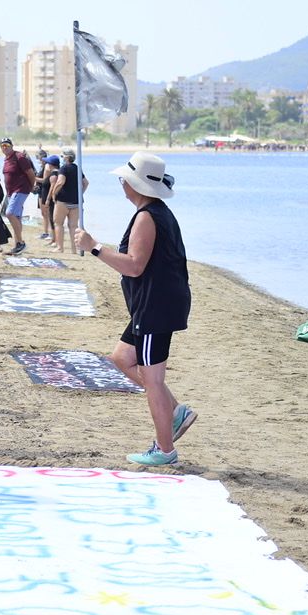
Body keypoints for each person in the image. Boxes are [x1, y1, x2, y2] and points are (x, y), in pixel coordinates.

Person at [76, 151, 194, 467]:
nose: (121, 184)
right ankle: (176, 411)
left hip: (156, 306)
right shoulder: (153, 212)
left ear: (136, 184)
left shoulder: (148, 216)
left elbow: (133, 266)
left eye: (124, 179)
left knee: (152, 378)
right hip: (151, 304)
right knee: (122, 358)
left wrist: (95, 247)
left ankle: (165, 450)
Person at [0, 137, 35, 255]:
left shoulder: (19, 157)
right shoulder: (6, 159)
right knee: (16, 218)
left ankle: (21, 243)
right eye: (3, 146)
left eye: (7, 145)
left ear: (12, 146)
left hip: (21, 189)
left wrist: (32, 186)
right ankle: (17, 246)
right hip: (11, 192)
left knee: (10, 213)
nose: (5, 148)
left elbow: (30, 173)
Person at [49, 150, 88, 254]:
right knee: (73, 226)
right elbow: (86, 183)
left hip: (63, 200)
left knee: (58, 223)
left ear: (66, 158)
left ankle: (60, 248)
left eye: (62, 156)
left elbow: (61, 181)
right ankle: (74, 250)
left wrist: (53, 193)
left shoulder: (64, 168)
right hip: (76, 201)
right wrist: (80, 193)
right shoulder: (77, 168)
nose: (61, 158)